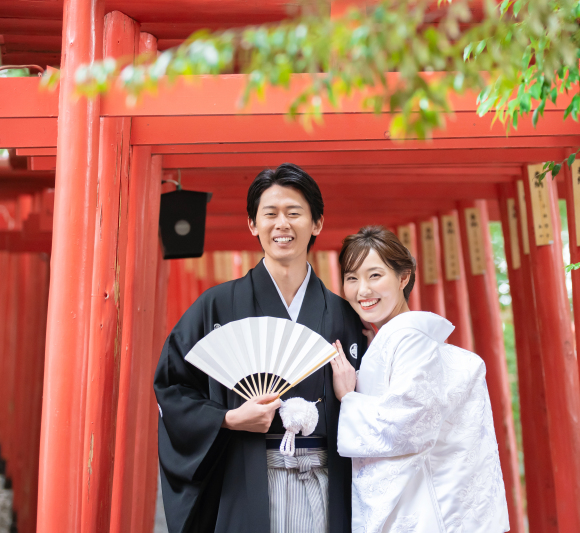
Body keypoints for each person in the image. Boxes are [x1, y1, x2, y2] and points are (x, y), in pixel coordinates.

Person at [154, 163, 368, 533]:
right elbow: (172, 389)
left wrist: (350, 399)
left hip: (324, 482)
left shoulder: (344, 315)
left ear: (316, 223)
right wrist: (228, 419)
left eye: (294, 213)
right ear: (253, 224)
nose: (281, 224)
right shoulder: (216, 306)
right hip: (245, 481)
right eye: (270, 213)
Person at [329, 226, 510, 533]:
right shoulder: (398, 337)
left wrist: (349, 397)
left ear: (403, 277)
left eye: (375, 275)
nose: (362, 290)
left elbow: (410, 424)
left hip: (420, 509)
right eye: (351, 278)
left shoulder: (408, 337)